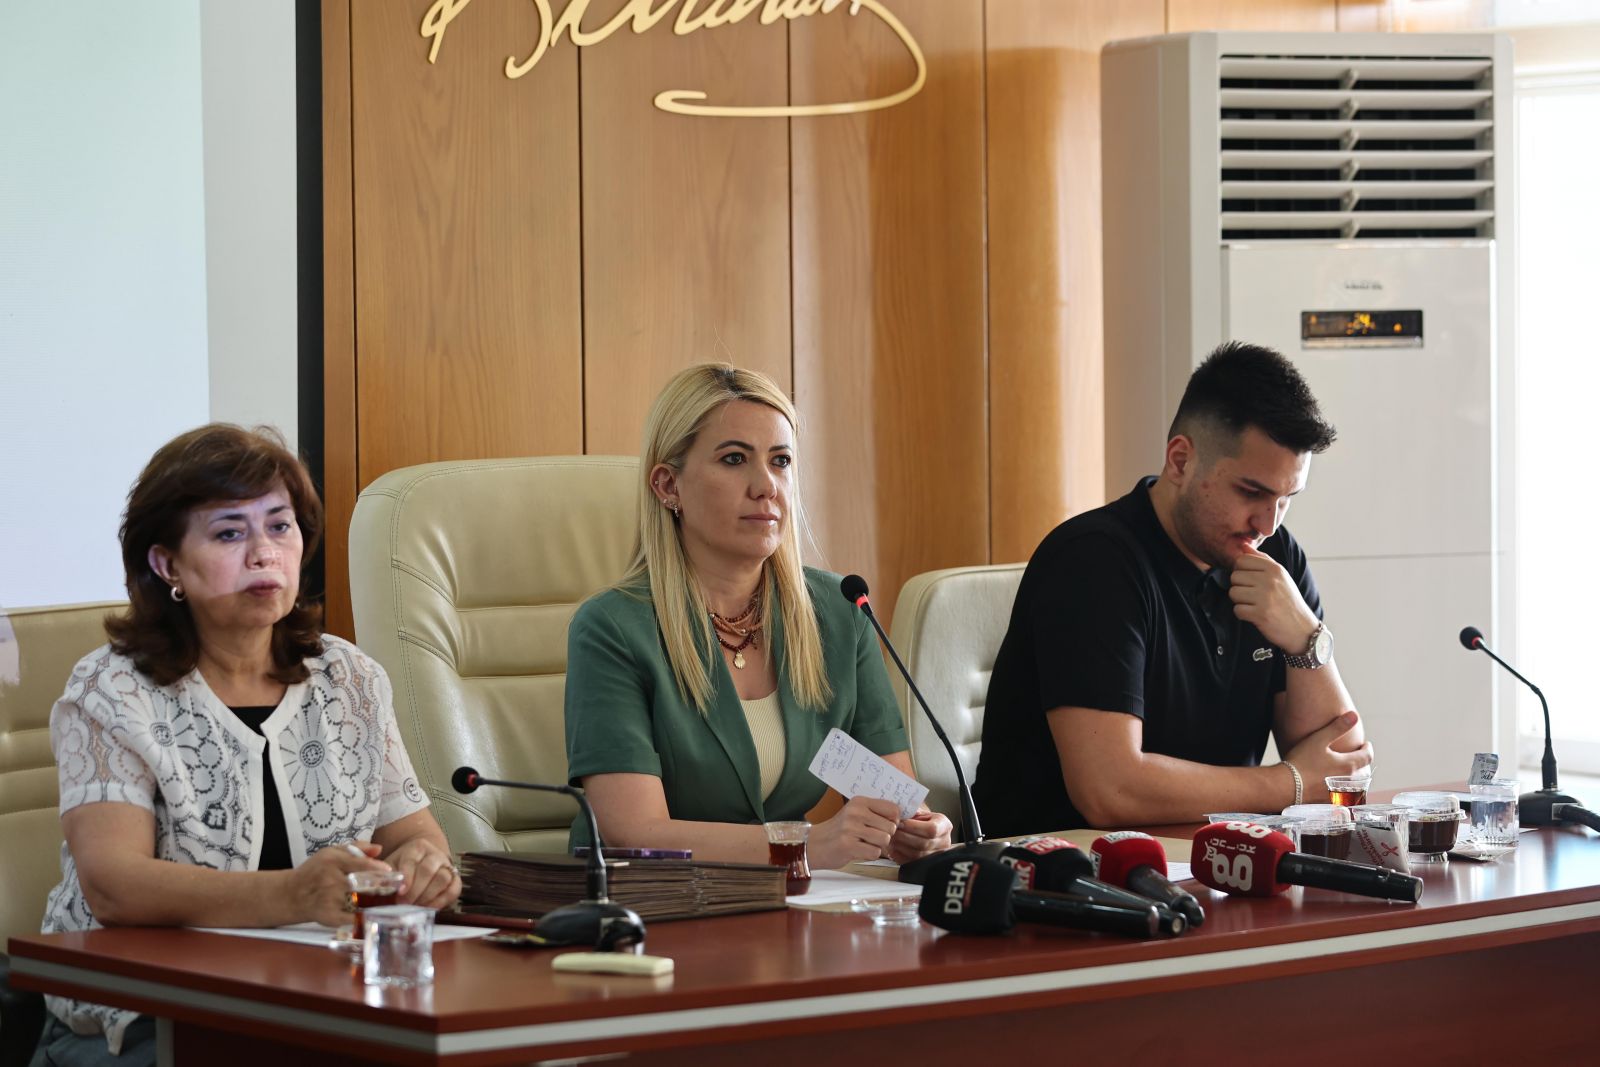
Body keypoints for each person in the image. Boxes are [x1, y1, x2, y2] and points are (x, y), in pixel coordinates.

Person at [34, 425, 459, 1066]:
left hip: (322, 1001)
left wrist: (425, 867)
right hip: (150, 1017)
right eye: (229, 533)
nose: (264, 553)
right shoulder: (114, 689)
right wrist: (293, 895)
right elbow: (113, 885)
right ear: (167, 565)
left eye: (280, 527)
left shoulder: (348, 678)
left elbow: (414, 837)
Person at [973, 342, 1373, 836]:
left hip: (1207, 863)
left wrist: (1306, 639)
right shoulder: (1093, 561)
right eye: (1251, 492)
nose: (1268, 523)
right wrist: (1288, 784)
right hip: (1063, 867)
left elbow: (1341, 769)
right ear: (1180, 461)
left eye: (1287, 498)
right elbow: (1110, 792)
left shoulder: (1276, 557)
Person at [564, 364, 953, 869]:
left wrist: (918, 831)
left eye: (780, 461)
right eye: (734, 459)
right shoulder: (613, 627)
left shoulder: (840, 611)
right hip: (649, 900)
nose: (766, 485)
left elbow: (894, 800)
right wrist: (802, 846)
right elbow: (634, 830)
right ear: (667, 485)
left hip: (791, 901)